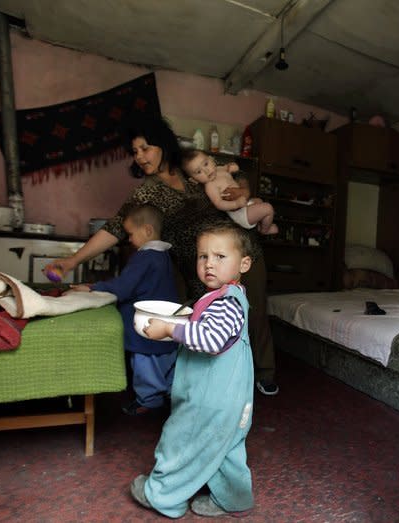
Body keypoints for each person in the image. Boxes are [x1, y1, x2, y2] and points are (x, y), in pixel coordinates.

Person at [44, 116, 279, 396]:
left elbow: (234, 177)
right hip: (198, 264)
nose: (140, 156)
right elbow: (115, 228)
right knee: (208, 320)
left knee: (253, 311)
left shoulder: (193, 166)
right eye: (135, 152)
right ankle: (216, 382)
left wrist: (242, 190)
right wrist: (73, 260)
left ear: (163, 145)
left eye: (145, 148)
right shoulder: (146, 192)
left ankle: (264, 371)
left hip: (236, 250)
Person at [129, 222, 256, 518]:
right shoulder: (226, 296)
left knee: (180, 441)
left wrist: (170, 328)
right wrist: (180, 325)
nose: (209, 264)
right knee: (226, 448)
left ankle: (162, 496)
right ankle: (233, 498)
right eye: (203, 256)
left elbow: (210, 340)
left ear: (244, 263)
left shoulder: (226, 304)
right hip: (232, 400)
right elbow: (205, 329)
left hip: (209, 400)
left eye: (220, 257)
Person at [71, 203, 179, 415]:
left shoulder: (144, 257)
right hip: (165, 322)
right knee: (166, 362)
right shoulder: (165, 256)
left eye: (130, 234)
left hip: (145, 327)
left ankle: (148, 401)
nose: (129, 240)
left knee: (145, 365)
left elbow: (124, 287)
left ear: (147, 230)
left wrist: (93, 288)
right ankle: (170, 395)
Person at [182, 148, 279, 235]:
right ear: (194, 180)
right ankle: (265, 230)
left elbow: (229, 168)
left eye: (206, 164)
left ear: (211, 159)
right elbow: (219, 203)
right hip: (239, 214)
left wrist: (232, 167)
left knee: (259, 201)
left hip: (244, 205)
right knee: (268, 208)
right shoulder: (210, 186)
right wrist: (236, 204)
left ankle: (260, 225)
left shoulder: (219, 169)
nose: (206, 171)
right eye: (199, 172)